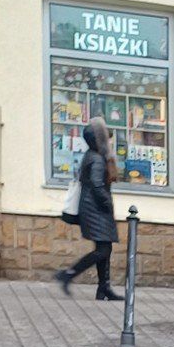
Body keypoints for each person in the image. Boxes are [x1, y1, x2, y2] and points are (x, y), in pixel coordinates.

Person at [56, 117, 123, 301]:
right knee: (102, 250)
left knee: (105, 248)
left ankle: (104, 288)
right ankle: (69, 274)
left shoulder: (93, 155)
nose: (109, 141)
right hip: (96, 210)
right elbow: (96, 184)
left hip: (93, 208)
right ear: (99, 139)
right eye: (106, 138)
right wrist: (107, 204)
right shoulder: (97, 158)